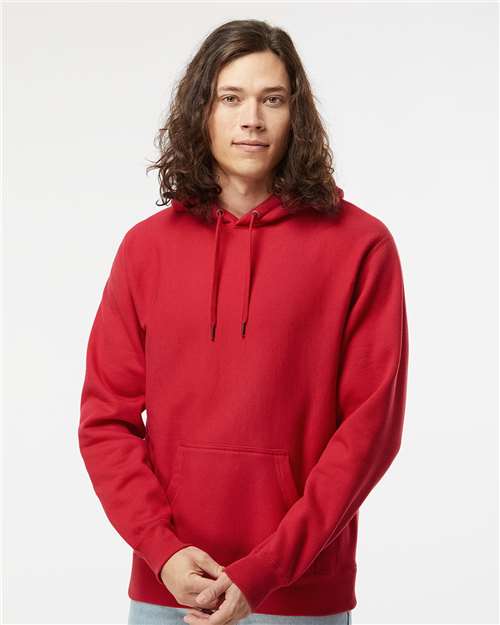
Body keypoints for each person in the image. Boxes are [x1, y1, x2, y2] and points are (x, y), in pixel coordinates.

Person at [78, 18, 409, 625]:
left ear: (296, 115)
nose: (251, 119)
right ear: (201, 112)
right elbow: (105, 421)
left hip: (298, 595)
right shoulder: (146, 249)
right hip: (169, 590)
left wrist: (267, 570)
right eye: (230, 98)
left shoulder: (361, 247)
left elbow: (369, 433)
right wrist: (162, 552)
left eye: (271, 99)